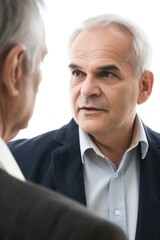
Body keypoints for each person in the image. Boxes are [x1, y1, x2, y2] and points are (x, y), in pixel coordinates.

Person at [8, 13, 160, 240]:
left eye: (106, 74)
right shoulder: (17, 163)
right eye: (78, 73)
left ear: (144, 87)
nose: (87, 90)